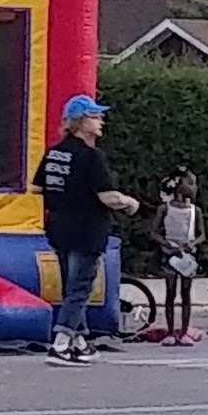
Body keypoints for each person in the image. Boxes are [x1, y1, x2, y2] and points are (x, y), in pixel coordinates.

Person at [35, 94, 140, 366]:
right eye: (95, 116)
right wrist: (129, 203)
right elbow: (108, 197)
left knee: (71, 287)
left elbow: (37, 187)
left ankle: (80, 343)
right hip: (87, 230)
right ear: (80, 122)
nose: (101, 120)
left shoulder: (54, 152)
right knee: (80, 288)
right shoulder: (91, 158)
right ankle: (60, 344)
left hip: (59, 228)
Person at [151, 166, 206, 346]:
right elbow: (155, 232)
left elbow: (201, 234)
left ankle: (184, 331)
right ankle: (170, 330)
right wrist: (166, 244)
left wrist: (192, 244)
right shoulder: (164, 209)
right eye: (189, 183)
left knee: (186, 294)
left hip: (187, 256)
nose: (193, 187)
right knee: (170, 292)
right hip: (170, 255)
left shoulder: (194, 210)